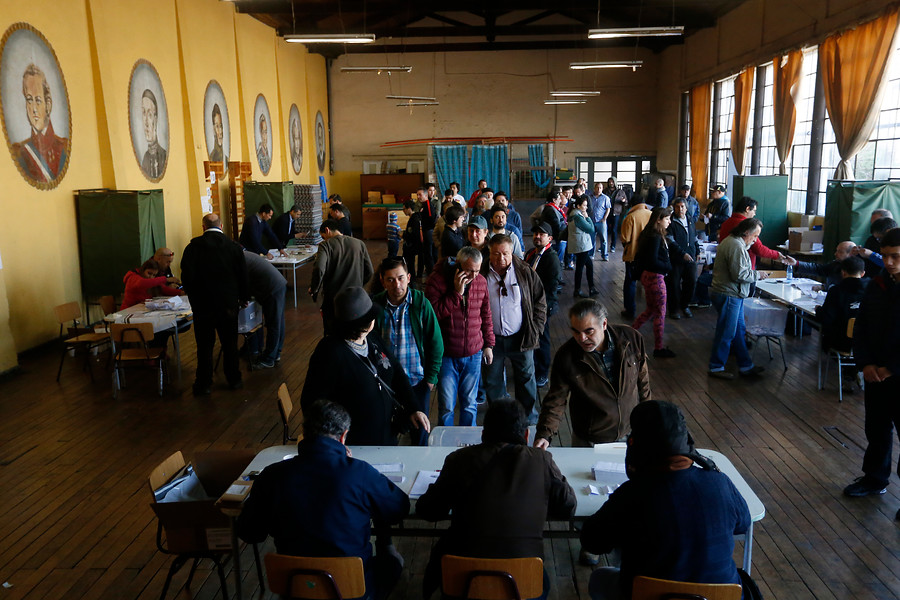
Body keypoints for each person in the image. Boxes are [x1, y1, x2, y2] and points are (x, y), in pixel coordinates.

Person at [237, 400, 409, 600]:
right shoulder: (359, 472)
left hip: (295, 589)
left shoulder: (271, 476)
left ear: (304, 433)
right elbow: (399, 509)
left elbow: (249, 532)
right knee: (392, 562)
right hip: (352, 590)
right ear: (343, 436)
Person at [581, 401, 750, 600]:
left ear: (637, 446)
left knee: (599, 578)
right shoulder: (720, 482)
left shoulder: (632, 493)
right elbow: (743, 523)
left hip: (648, 596)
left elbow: (592, 542)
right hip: (719, 596)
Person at [416, 400, 577, 600]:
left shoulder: (458, 459)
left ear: (484, 433)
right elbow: (568, 507)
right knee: (541, 579)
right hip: (524, 583)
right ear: (526, 435)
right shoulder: (541, 460)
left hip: (463, 582)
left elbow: (429, 510)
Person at [301, 287, 430, 445]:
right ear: (366, 323)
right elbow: (313, 404)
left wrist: (414, 407)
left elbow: (396, 371)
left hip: (386, 439)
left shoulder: (373, 339)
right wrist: (331, 443)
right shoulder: (329, 352)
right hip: (353, 445)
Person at [534, 299, 651, 449]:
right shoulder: (567, 356)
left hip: (630, 432)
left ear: (604, 324)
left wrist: (647, 419)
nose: (581, 338)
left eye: (588, 331)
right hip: (590, 440)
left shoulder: (631, 338)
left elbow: (643, 382)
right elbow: (556, 399)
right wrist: (544, 434)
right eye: (576, 331)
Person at [843, 227, 900, 501]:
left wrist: (891, 368)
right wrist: (865, 363)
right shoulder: (877, 285)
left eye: (896, 256)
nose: (888, 262)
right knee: (876, 430)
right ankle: (875, 478)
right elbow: (862, 326)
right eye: (885, 256)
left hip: (896, 373)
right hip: (874, 373)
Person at [373, 257, 444, 446]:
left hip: (417, 382)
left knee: (420, 434)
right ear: (382, 281)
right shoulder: (376, 305)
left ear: (409, 278)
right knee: (387, 432)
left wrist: (430, 379)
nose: (397, 285)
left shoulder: (421, 304)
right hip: (387, 384)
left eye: (400, 278)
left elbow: (436, 343)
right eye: (390, 280)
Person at [181, 213, 249, 396]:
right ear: (221, 226)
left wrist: (193, 298)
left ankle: (203, 383)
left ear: (203, 227)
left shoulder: (193, 248)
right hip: (228, 304)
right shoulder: (233, 247)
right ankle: (234, 379)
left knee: (204, 346)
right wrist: (243, 297)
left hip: (202, 306)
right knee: (230, 343)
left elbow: (186, 277)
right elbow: (243, 275)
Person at [425, 246, 494, 426]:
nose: (473, 276)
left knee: (470, 405)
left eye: (477, 271)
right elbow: (432, 315)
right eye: (469, 270)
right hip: (446, 354)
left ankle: (468, 440)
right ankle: (445, 441)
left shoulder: (481, 281)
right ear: (458, 264)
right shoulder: (437, 281)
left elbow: (486, 314)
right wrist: (456, 293)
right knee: (447, 407)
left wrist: (488, 344)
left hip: (473, 353)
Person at [482, 235, 547, 421]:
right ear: (489, 253)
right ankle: (500, 420)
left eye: (505, 253)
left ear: (512, 252)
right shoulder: (481, 273)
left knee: (526, 379)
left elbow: (540, 301)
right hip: (492, 340)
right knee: (492, 381)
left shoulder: (524, 271)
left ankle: (528, 419)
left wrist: (536, 329)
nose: (501, 258)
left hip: (521, 337)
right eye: (496, 254)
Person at [707, 218, 768, 380]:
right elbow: (739, 274)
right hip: (730, 294)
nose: (755, 240)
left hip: (732, 294)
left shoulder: (734, 242)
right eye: (755, 236)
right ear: (746, 232)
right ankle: (716, 366)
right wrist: (758, 275)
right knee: (726, 333)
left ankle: (746, 365)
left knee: (739, 332)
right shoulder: (735, 246)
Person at [309, 219, 374, 335]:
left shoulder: (326, 245)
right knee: (353, 333)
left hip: (332, 299)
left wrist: (314, 288)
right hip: (355, 298)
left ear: (327, 230)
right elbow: (370, 271)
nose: (324, 239)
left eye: (323, 236)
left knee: (331, 333)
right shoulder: (359, 243)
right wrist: (359, 284)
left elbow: (319, 268)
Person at [11, 64, 68, 184]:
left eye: (38, 100)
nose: (33, 109)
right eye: (29, 100)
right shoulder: (20, 152)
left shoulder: (63, 146)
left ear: (48, 104)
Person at [632, 207, 676, 358]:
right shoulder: (655, 237)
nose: (669, 222)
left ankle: (629, 333)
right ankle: (659, 348)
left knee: (650, 310)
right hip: (655, 277)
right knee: (660, 313)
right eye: (667, 219)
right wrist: (667, 266)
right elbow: (652, 260)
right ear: (658, 220)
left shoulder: (649, 234)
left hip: (648, 276)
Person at [526, 222, 561, 389]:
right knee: (533, 337)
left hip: (542, 306)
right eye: (535, 234)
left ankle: (542, 372)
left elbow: (551, 286)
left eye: (542, 234)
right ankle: (533, 366)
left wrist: (542, 307)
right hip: (530, 304)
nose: (537, 236)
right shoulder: (531, 253)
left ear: (550, 238)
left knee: (542, 339)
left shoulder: (551, 258)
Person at [243, 250, 287, 369]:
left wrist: (243, 298)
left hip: (272, 288)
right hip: (277, 284)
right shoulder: (246, 255)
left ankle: (269, 359)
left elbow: (242, 282)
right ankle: (276, 353)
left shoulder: (239, 260)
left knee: (273, 324)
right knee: (278, 322)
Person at [718, 197, 791, 269]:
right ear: (747, 209)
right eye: (754, 211)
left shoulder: (726, 222)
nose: (754, 214)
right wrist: (776, 254)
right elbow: (759, 249)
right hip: (744, 266)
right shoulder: (745, 225)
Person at [815, 256, 867, 355]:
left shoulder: (836, 291)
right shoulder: (872, 290)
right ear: (863, 273)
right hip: (865, 343)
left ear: (843, 273)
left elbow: (826, 318)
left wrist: (818, 310)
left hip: (840, 342)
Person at [666, 198, 699, 320]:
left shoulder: (690, 220)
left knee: (691, 282)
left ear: (686, 208)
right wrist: (682, 253)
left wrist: (698, 251)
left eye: (682, 207)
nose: (680, 209)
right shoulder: (671, 222)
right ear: (674, 208)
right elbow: (670, 241)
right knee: (674, 284)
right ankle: (674, 309)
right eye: (678, 207)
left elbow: (694, 237)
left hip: (690, 258)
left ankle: (685, 305)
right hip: (676, 259)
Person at [619, 201, 652, 319]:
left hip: (633, 254)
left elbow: (625, 238)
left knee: (630, 282)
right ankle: (651, 311)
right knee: (649, 282)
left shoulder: (630, 217)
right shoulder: (651, 214)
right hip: (648, 254)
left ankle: (630, 310)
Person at [569, 195, 598, 298]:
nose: (586, 207)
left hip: (579, 244)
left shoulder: (573, 214)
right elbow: (591, 229)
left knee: (589, 265)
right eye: (584, 205)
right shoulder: (578, 216)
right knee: (580, 268)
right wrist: (588, 217)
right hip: (581, 245)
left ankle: (591, 288)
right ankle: (578, 290)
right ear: (578, 206)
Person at [140, 89, 167, 179]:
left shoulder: (164, 156)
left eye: (150, 115)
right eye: (144, 113)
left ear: (155, 119)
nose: (146, 123)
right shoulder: (145, 159)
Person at [401, 199, 427, 278]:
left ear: (409, 209)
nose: (403, 211)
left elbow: (413, 234)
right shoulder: (416, 217)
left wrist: (403, 235)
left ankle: (412, 277)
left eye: (404, 209)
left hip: (413, 245)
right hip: (416, 244)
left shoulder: (414, 219)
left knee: (410, 262)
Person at [588, 182, 611, 261]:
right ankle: (591, 255)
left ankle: (605, 255)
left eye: (600, 188)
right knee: (591, 239)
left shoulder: (605, 198)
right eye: (597, 187)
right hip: (591, 221)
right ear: (594, 188)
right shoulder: (589, 197)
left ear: (602, 189)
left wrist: (604, 218)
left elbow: (608, 208)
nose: (598, 189)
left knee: (603, 239)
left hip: (601, 222)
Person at [605, 177, 628, 253]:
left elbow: (626, 203)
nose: (611, 183)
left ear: (615, 182)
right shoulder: (605, 191)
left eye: (612, 182)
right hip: (606, 212)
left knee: (614, 230)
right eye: (609, 182)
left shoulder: (620, 192)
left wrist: (623, 201)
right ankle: (603, 246)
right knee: (605, 229)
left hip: (616, 212)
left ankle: (613, 246)